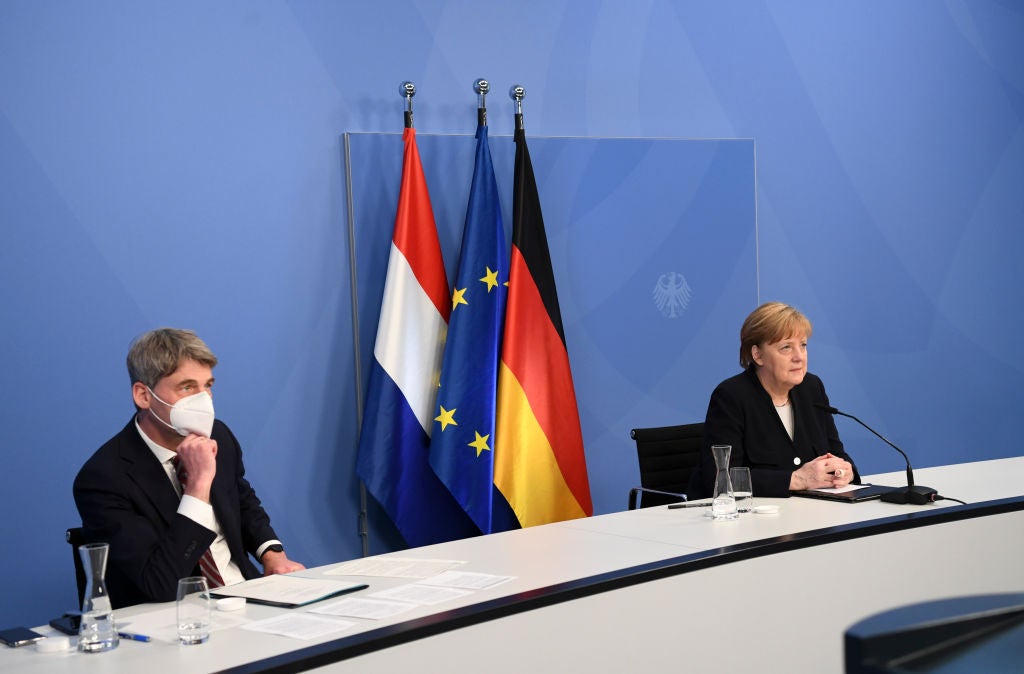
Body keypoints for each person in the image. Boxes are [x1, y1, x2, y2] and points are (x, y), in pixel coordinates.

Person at [74, 328, 304, 608]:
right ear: (143, 396)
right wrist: (198, 485)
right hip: (176, 614)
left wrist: (273, 554)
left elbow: (243, 502)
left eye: (207, 385)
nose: (204, 400)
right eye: (187, 387)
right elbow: (159, 585)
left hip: (248, 596)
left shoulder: (218, 435)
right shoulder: (104, 478)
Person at [689, 302, 860, 499]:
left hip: (807, 515)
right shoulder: (731, 397)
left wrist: (845, 471)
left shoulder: (812, 388)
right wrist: (797, 480)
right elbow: (720, 477)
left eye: (803, 345)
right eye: (786, 347)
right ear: (757, 355)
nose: (799, 357)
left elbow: (836, 452)